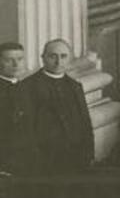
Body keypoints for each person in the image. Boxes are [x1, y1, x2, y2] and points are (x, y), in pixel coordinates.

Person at [26, 38, 94, 172]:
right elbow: (26, 130)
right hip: (44, 162)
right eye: (53, 56)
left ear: (69, 59)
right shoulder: (27, 86)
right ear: (43, 58)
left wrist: (89, 154)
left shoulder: (75, 86)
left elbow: (85, 123)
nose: (58, 62)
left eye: (63, 56)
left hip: (75, 159)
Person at [0, 41, 36, 175]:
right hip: (5, 162)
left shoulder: (26, 88)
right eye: (9, 60)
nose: (16, 64)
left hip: (27, 159)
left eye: (20, 59)